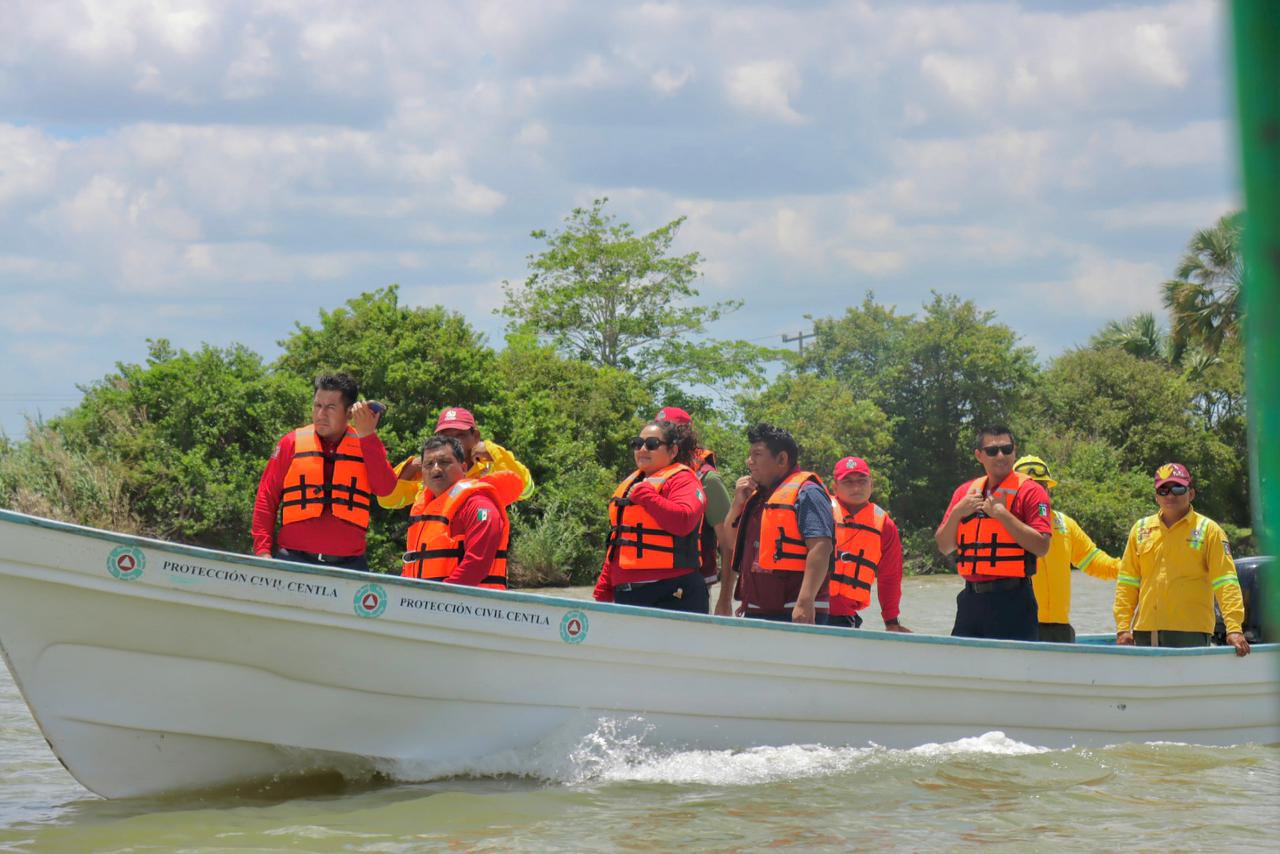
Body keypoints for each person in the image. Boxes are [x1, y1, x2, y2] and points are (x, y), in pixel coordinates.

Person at [252, 373, 398, 570]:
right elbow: (266, 497)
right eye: (317, 406)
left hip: (350, 565)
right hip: (292, 559)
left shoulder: (367, 444)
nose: (321, 414)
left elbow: (385, 488)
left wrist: (368, 436)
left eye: (330, 407)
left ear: (349, 413)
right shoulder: (290, 443)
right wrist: (263, 551)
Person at [1115, 462, 1249, 656]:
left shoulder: (1210, 531)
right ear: (1156, 496)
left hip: (1190, 633)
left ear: (1191, 493)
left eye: (1178, 488)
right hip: (1144, 631)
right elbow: (1127, 582)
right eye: (1163, 490)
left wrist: (1234, 628)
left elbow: (1226, 581)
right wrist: (1123, 627)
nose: (1170, 495)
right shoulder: (1140, 530)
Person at [935, 425, 1051, 641]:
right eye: (992, 450)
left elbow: (1042, 546)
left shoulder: (1032, 491)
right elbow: (944, 546)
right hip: (971, 601)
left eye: (1007, 449)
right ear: (979, 455)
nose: (1001, 455)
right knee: (962, 669)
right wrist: (958, 512)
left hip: (1013, 600)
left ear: (1014, 451)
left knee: (1012, 671)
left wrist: (1001, 514)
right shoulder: (964, 492)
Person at [715, 423, 834, 624]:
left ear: (781, 459)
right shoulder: (756, 496)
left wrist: (805, 603)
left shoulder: (808, 492)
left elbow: (821, 547)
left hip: (793, 609)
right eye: (749, 454)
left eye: (757, 454)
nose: (749, 461)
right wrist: (737, 505)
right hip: (758, 608)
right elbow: (730, 543)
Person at [593, 419, 709, 612]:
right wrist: (605, 584)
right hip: (628, 593)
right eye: (637, 444)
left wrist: (647, 496)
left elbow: (684, 521)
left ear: (673, 451)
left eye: (652, 444)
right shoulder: (632, 483)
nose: (642, 449)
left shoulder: (683, 480)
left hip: (673, 592)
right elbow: (618, 539)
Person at [1013, 455, 1121, 643]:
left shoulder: (1064, 524)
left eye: (1042, 487)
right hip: (1019, 626)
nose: (1037, 493)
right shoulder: (1005, 525)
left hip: (1060, 628)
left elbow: (1094, 560)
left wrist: (1130, 568)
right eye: (1028, 488)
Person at [401, 435, 515, 587]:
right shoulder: (424, 511)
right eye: (429, 464)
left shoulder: (479, 506)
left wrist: (438, 598)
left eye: (444, 462)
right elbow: (409, 568)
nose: (436, 468)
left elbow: (477, 564)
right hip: (427, 603)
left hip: (467, 606)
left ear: (463, 468)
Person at [378, 406, 533, 511]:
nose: (453, 443)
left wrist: (492, 450)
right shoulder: (430, 472)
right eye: (446, 437)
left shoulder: (492, 467)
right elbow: (387, 501)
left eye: (460, 435)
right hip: (436, 556)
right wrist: (411, 467)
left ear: (476, 436)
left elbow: (525, 489)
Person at [655, 406, 733, 596]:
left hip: (691, 583)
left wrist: (725, 598)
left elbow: (728, 544)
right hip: (652, 579)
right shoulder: (652, 474)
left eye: (666, 431)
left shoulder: (708, 479)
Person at [828, 456, 911, 632]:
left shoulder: (885, 525)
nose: (856, 487)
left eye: (862, 481)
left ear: (871, 484)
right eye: (848, 482)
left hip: (845, 616)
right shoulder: (820, 510)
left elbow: (890, 577)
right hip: (808, 609)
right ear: (835, 487)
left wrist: (891, 621)